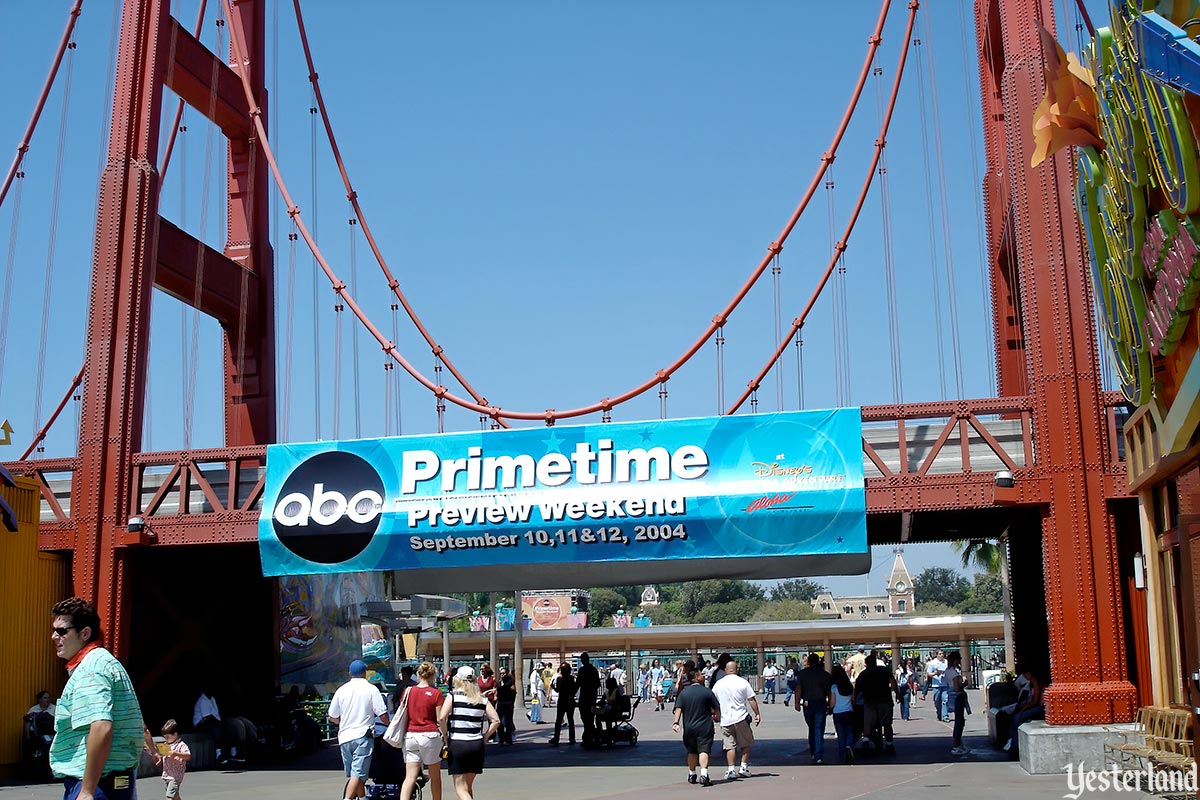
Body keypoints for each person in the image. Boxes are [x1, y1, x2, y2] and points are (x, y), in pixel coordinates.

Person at [48, 596, 145, 800]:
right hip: (113, 781)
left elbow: (101, 727)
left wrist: (87, 791)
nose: (54, 637)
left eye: (62, 631)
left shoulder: (90, 669)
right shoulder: (105, 662)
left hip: (98, 784)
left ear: (84, 633)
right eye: (54, 630)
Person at [329, 659, 389, 800]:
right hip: (363, 736)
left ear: (349, 673)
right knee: (358, 774)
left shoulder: (341, 690)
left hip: (344, 737)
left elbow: (332, 716)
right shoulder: (371, 689)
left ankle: (362, 797)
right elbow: (382, 713)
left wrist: (342, 723)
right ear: (365, 673)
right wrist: (392, 725)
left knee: (355, 774)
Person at [438, 666, 500, 800]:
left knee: (460, 788)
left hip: (458, 743)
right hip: (476, 744)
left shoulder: (453, 696)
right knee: (467, 787)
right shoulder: (482, 699)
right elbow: (496, 720)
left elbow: (442, 717)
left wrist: (445, 736)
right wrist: (485, 736)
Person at [398, 662, 443, 800]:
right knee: (435, 776)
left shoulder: (408, 691)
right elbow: (440, 718)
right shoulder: (436, 694)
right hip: (430, 735)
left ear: (418, 674)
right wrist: (445, 736)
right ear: (433, 675)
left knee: (410, 777)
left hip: (411, 735)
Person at [711, 660, 760, 780]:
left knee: (729, 746)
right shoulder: (742, 682)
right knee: (746, 743)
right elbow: (751, 699)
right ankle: (743, 767)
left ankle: (731, 769)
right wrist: (757, 714)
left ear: (726, 671)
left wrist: (714, 714)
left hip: (725, 719)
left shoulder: (718, 684)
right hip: (741, 717)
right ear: (736, 669)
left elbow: (712, 701)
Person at [672, 668, 720, 786]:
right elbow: (716, 708)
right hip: (705, 727)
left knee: (691, 751)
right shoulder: (707, 692)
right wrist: (717, 717)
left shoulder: (684, 693)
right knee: (704, 750)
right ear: (697, 677)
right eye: (701, 674)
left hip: (689, 727)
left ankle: (692, 774)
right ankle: (704, 775)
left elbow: (679, 708)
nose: (703, 676)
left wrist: (676, 723)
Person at [856, 653, 898, 755]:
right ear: (875, 662)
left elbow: (857, 690)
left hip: (870, 702)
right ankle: (889, 744)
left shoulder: (863, 674)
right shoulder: (884, 670)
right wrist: (897, 694)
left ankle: (865, 742)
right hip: (885, 701)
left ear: (866, 664)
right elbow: (893, 682)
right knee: (887, 724)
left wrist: (855, 701)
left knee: (868, 724)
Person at [794, 652, 832, 764]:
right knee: (819, 728)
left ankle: (813, 751)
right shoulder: (825, 675)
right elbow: (829, 692)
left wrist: (796, 703)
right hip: (820, 703)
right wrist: (830, 704)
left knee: (811, 727)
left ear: (809, 662)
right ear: (819, 661)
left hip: (807, 704)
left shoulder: (802, 674)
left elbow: (798, 689)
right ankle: (818, 754)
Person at [1004, 664, 1045, 759]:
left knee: (1016, 719)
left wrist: (1024, 707)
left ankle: (1015, 746)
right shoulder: (1030, 683)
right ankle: (1014, 744)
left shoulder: (1034, 682)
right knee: (1016, 719)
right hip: (1036, 707)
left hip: (1039, 708)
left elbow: (1035, 701)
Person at [150, 719, 191, 800]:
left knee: (169, 796)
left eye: (168, 737)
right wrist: (158, 758)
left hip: (175, 776)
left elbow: (188, 756)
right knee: (175, 796)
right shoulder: (166, 745)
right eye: (165, 737)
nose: (166, 739)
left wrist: (176, 753)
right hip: (167, 775)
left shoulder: (181, 745)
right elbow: (162, 755)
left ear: (175, 734)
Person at [828, 665, 856, 764]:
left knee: (841, 735)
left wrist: (829, 709)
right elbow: (853, 700)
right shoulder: (849, 686)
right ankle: (849, 745)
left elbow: (832, 702)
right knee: (850, 732)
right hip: (849, 711)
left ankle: (842, 757)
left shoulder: (834, 687)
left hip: (838, 712)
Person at [945, 651, 969, 755]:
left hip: (951, 696)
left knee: (959, 720)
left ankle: (958, 743)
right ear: (956, 660)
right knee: (959, 721)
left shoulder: (947, 671)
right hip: (958, 697)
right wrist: (964, 684)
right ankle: (957, 744)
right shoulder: (954, 673)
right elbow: (956, 687)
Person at [547, 664, 576, 745]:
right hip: (570, 700)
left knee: (559, 720)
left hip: (562, 700)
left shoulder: (560, 679)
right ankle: (572, 738)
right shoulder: (572, 679)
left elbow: (558, 690)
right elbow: (575, 688)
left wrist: (553, 686)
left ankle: (556, 738)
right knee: (571, 719)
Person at [575, 653, 601, 742]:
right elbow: (598, 684)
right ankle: (590, 732)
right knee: (590, 716)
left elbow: (577, 684)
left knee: (585, 716)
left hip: (585, 696)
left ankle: (589, 733)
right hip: (591, 696)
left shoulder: (582, 670)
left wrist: (572, 694)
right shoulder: (594, 670)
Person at [494, 667, 516, 745]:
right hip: (500, 704)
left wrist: (512, 702)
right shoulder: (498, 683)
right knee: (499, 722)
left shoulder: (510, 683)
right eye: (501, 674)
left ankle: (508, 738)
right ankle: (501, 738)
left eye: (504, 673)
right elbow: (496, 694)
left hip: (508, 704)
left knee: (508, 722)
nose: (502, 675)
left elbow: (513, 692)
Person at [925, 650, 947, 722]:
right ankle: (939, 713)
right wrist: (935, 673)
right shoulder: (933, 663)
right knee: (937, 701)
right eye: (940, 654)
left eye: (942, 654)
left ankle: (945, 716)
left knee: (945, 700)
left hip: (945, 684)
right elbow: (928, 673)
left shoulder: (946, 662)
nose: (941, 655)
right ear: (937, 655)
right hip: (936, 685)